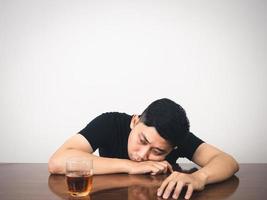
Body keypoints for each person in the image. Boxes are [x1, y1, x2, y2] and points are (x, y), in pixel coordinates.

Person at [48, 98, 239, 199]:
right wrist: (129, 166)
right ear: (135, 121)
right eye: (142, 140)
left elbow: (227, 161)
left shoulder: (177, 138)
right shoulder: (110, 122)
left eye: (158, 152)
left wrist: (198, 177)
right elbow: (58, 162)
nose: (142, 155)